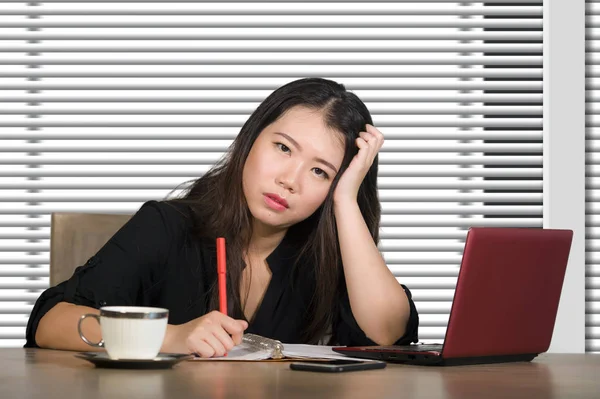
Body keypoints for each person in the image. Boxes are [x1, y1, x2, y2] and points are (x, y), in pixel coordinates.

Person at [25, 78, 419, 357]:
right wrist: (170, 337)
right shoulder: (167, 226)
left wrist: (346, 200)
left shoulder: (324, 254)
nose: (289, 180)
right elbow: (50, 322)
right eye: (283, 148)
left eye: (321, 172)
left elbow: (386, 333)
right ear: (250, 139)